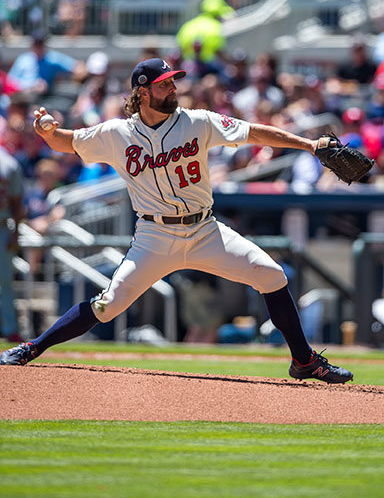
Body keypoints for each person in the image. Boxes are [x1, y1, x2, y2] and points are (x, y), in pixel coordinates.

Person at [0, 58, 353, 383]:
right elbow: (67, 142)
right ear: (142, 91)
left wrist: (308, 145)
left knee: (272, 276)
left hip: (205, 231)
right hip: (154, 236)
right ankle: (32, 348)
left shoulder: (197, 121)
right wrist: (47, 132)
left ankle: (304, 361)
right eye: (165, 83)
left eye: (174, 82)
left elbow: (254, 132)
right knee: (107, 306)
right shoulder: (116, 134)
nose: (173, 88)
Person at [0, 146, 24, 342]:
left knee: (5, 282)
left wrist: (15, 232)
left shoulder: (8, 162)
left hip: (1, 227)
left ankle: (10, 330)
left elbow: (17, 202)